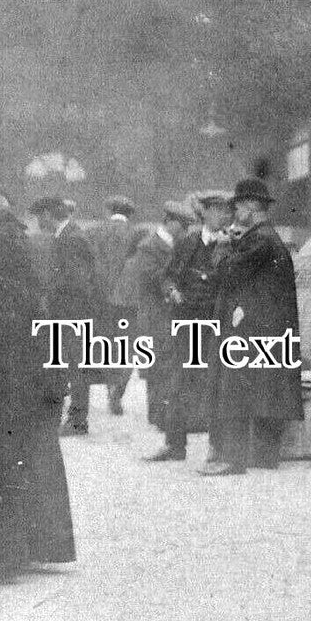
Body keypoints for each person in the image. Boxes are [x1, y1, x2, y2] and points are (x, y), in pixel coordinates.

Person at [0, 205, 75, 574]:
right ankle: (25, 549)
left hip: (1, 386)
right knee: (29, 461)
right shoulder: (31, 285)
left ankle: (3, 553)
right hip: (29, 383)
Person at [201, 178, 302, 477]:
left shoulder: (260, 240)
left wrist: (221, 246)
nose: (234, 214)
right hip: (264, 328)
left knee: (236, 388)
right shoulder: (264, 238)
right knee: (264, 390)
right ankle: (262, 456)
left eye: (237, 207)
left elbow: (226, 273)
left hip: (251, 329)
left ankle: (233, 459)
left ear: (249, 206)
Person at [146, 191, 230, 462]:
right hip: (187, 321)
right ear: (204, 213)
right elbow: (168, 275)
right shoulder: (188, 242)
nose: (221, 216)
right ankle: (175, 444)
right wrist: (171, 290)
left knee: (218, 384)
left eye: (225, 211)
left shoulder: (231, 245)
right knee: (180, 382)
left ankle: (219, 449)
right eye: (215, 210)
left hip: (218, 323)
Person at [123, 201, 194, 439]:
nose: (184, 229)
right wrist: (172, 286)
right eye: (182, 225)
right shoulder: (149, 246)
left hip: (168, 313)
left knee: (167, 363)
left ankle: (165, 413)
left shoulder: (175, 244)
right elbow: (151, 277)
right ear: (170, 221)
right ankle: (156, 413)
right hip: (154, 313)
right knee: (155, 364)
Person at [29, 195, 99, 436]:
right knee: (69, 365)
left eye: (39, 217)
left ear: (48, 214)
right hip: (69, 312)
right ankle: (71, 418)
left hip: (72, 313)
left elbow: (77, 280)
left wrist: (48, 289)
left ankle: (78, 421)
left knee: (75, 366)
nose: (38, 222)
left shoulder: (72, 238)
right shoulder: (68, 235)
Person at [97, 195, 143, 416]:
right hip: (128, 301)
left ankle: (110, 385)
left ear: (110, 210)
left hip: (104, 298)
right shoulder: (137, 233)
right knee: (128, 346)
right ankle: (118, 390)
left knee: (106, 343)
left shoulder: (97, 231)